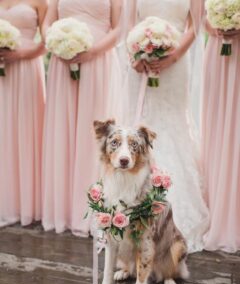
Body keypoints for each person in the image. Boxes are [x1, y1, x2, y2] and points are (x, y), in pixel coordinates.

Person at [124, 0, 209, 253]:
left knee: (171, 125)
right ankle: (133, 206)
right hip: (140, 65)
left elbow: (196, 24)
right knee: (141, 126)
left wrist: (174, 55)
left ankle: (172, 211)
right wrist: (134, 56)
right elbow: (128, 24)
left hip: (176, 63)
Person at [42, 0, 123, 235]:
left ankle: (93, 209)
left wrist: (93, 51)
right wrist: (56, 43)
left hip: (98, 61)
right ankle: (64, 210)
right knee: (63, 131)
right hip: (62, 62)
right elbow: (47, 23)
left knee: (95, 135)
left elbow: (119, 28)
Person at [0, 0, 47, 227]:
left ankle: (28, 204)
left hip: (28, 68)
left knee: (27, 132)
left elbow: (48, 41)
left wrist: (22, 54)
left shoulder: (41, 1)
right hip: (2, 71)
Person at [202, 21, 240, 252]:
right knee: (217, 127)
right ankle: (218, 209)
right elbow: (201, 18)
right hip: (217, 52)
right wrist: (215, 27)